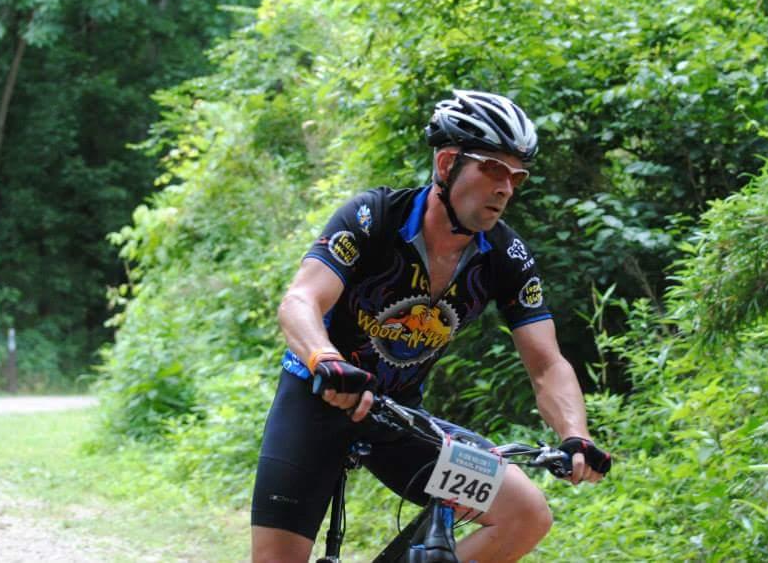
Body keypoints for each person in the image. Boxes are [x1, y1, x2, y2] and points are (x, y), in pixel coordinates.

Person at [251, 90, 612, 562]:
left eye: (516, 175)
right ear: (446, 164)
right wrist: (328, 361)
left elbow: (546, 365)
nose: (506, 187)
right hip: (316, 403)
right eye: (493, 169)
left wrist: (575, 434)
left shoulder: (505, 257)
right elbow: (300, 300)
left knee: (525, 513)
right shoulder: (376, 218)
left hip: (397, 421)